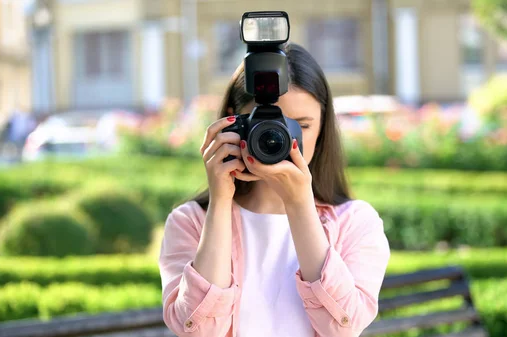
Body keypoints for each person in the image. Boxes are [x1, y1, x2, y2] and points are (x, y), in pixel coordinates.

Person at [158, 43, 390, 337]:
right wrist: (219, 201)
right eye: (268, 124)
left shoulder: (355, 222)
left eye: (301, 126)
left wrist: (298, 204)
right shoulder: (190, 222)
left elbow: (342, 329)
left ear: (322, 128)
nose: (283, 140)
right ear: (233, 122)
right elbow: (198, 331)